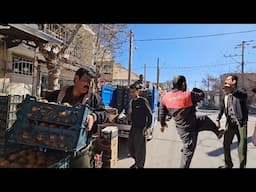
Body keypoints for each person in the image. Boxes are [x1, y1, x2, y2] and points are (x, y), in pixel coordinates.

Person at [45, 67, 108, 168]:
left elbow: (104, 114)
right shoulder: (59, 95)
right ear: (76, 78)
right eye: (86, 80)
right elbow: (42, 105)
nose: (89, 84)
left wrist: (93, 116)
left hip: (80, 150)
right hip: (55, 146)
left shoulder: (93, 98)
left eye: (91, 82)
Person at [160, 75, 224, 168]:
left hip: (185, 126)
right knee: (188, 154)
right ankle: (186, 149)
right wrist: (195, 89)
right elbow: (202, 95)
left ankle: (217, 133)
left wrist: (162, 124)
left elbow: (162, 114)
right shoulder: (188, 95)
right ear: (183, 84)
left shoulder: (165, 97)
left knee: (204, 118)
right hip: (189, 131)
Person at [216, 75, 248, 168]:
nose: (225, 82)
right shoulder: (226, 95)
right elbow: (222, 108)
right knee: (226, 144)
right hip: (230, 124)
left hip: (241, 124)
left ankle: (242, 166)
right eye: (225, 81)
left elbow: (243, 96)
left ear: (234, 82)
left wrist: (232, 90)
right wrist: (218, 119)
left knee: (242, 147)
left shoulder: (240, 91)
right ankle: (228, 164)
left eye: (227, 80)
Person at [127, 83, 152, 168]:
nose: (132, 94)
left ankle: (139, 165)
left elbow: (150, 115)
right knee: (131, 147)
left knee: (140, 150)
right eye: (131, 92)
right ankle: (137, 162)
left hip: (141, 129)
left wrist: (147, 127)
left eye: (133, 92)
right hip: (133, 127)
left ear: (138, 91)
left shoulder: (143, 101)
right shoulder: (133, 102)